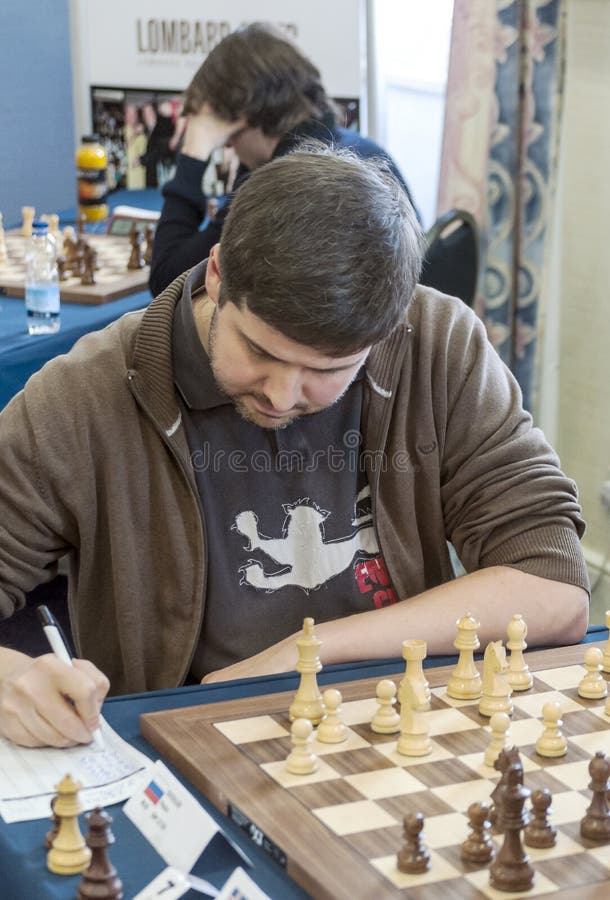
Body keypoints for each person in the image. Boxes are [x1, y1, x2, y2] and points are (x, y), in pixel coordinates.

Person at [0, 146, 588, 749]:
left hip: (401, 726)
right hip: (183, 754)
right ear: (217, 273)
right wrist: (12, 679)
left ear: (384, 335)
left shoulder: (438, 345)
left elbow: (553, 585)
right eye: (259, 351)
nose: (281, 395)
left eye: (325, 370)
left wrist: (307, 653)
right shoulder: (83, 395)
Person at [149, 22, 420, 297]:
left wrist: (193, 155)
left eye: (223, 134)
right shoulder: (359, 148)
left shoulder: (282, 187)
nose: (227, 145)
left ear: (239, 116)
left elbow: (168, 281)